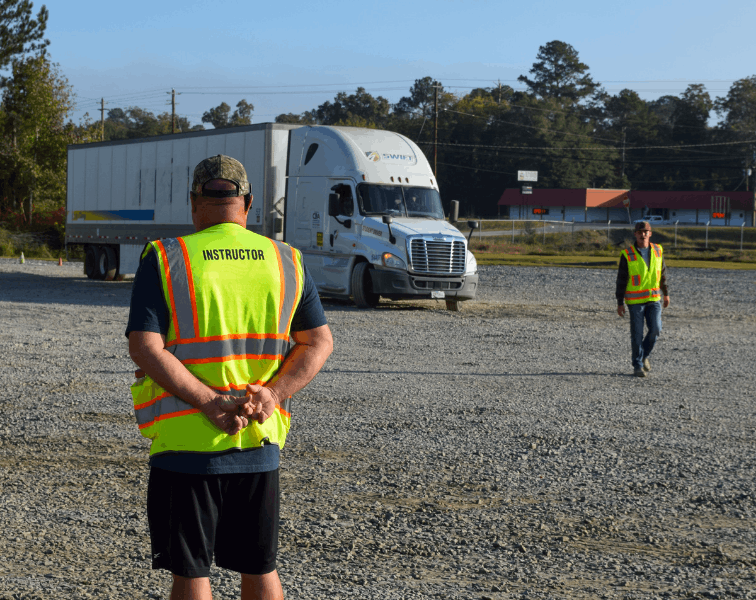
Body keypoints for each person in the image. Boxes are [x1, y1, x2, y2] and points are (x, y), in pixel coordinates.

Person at [126, 154, 333, 600]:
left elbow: (145, 346)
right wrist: (272, 395)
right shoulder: (286, 260)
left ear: (194, 202)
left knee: (192, 576)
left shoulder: (166, 257)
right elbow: (318, 342)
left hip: (186, 445)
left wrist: (207, 402)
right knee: (259, 571)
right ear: (248, 204)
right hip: (259, 443)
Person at [616, 220, 670, 377]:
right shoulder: (627, 254)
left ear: (650, 233)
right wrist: (620, 303)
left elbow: (663, 274)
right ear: (635, 234)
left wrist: (666, 293)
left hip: (654, 299)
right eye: (640, 232)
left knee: (656, 329)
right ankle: (638, 365)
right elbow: (621, 280)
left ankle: (645, 355)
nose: (643, 234)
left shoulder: (658, 250)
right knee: (637, 334)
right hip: (635, 302)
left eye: (645, 232)